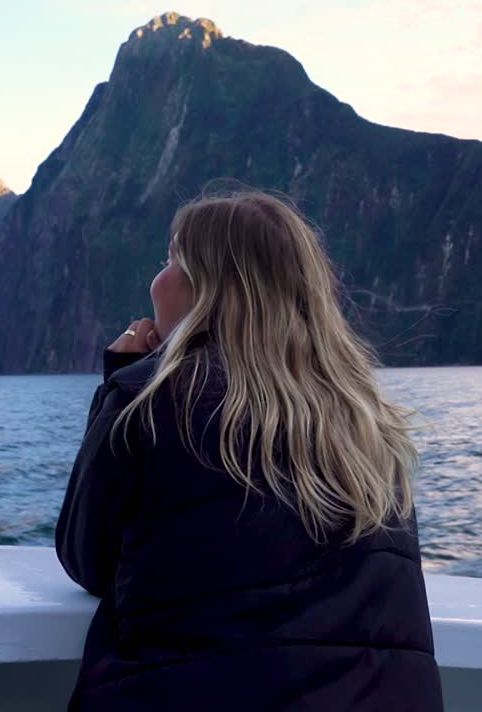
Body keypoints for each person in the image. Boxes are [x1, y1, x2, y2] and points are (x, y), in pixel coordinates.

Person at [54, 190, 443, 710]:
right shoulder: (370, 423)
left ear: (205, 288)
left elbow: (89, 560)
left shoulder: (151, 403)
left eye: (169, 260)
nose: (158, 280)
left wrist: (119, 384)